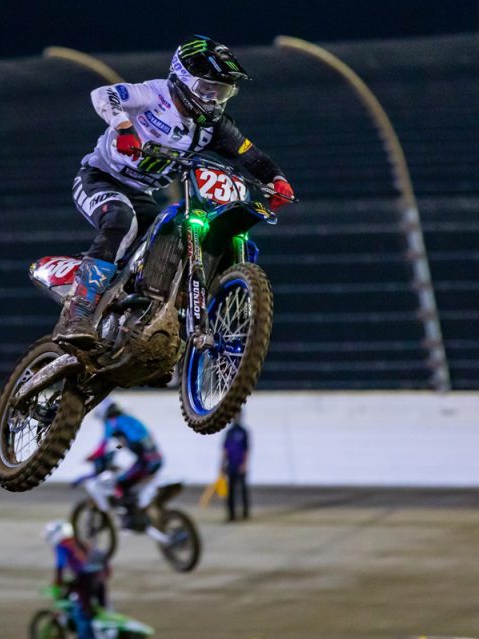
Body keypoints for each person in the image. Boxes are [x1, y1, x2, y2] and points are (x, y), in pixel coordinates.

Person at [54, 35, 295, 345]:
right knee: (120, 221)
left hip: (142, 196)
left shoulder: (213, 126)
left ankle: (141, 313)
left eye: (221, 91)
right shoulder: (153, 95)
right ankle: (77, 313)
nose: (213, 99)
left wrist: (276, 179)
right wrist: (124, 128)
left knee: (169, 235)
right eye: (206, 89)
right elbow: (103, 94)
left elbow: (248, 153)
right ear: (183, 78)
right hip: (100, 179)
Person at [87, 401, 163, 531]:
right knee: (132, 484)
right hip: (156, 459)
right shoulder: (128, 420)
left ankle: (131, 520)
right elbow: (124, 443)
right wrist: (115, 450)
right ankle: (139, 512)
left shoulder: (112, 423)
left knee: (120, 483)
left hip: (145, 462)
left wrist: (92, 456)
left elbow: (103, 446)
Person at [44, 519, 109, 639]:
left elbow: (60, 566)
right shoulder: (80, 542)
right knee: (101, 610)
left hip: (85, 580)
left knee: (82, 614)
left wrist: (57, 584)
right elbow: (102, 558)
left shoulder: (62, 545)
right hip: (99, 578)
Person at [222, 418, 250, 521]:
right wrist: (223, 464)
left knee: (242, 491)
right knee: (230, 491)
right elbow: (225, 449)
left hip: (240, 465)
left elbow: (246, 449)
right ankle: (231, 514)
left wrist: (244, 465)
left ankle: (245, 513)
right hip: (231, 465)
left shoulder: (243, 432)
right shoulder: (229, 432)